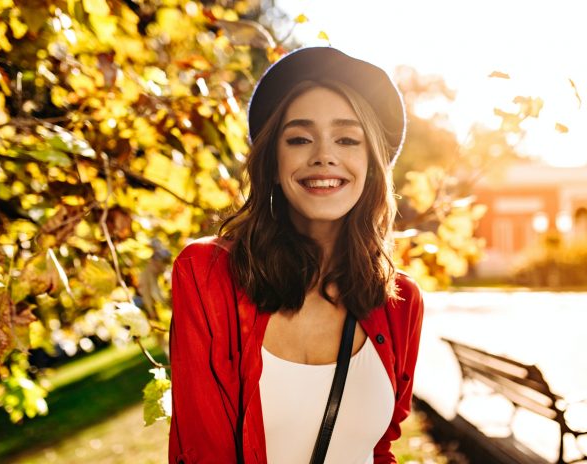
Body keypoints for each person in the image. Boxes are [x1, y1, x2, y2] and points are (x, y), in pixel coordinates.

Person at [168, 47, 424, 464]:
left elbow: (378, 449)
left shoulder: (400, 300)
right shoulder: (205, 273)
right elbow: (203, 451)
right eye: (300, 138)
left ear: (372, 165)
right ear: (271, 161)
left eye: (347, 138)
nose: (324, 155)